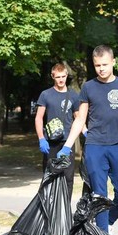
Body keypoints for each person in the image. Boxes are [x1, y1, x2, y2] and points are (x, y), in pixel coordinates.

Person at [57, 45, 118, 233]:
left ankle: (108, 221)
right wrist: (67, 146)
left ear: (113, 62)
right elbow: (80, 119)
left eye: (105, 64)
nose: (101, 68)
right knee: (99, 194)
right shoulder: (88, 87)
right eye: (97, 65)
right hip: (94, 147)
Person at [34, 62, 80, 199]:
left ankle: (64, 209)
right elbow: (38, 118)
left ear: (67, 76)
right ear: (53, 76)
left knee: (68, 177)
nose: (61, 79)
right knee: (49, 177)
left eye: (63, 76)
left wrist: (86, 132)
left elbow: (78, 118)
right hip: (50, 142)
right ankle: (48, 208)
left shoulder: (74, 95)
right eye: (58, 77)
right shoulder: (46, 94)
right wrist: (41, 138)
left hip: (67, 142)